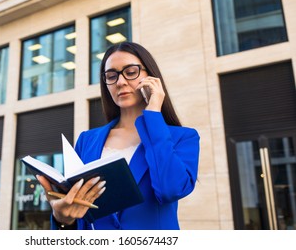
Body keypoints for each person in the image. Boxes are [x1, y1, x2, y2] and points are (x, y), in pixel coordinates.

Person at [37, 41, 200, 230]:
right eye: (111, 76)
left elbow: (169, 190)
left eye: (131, 72)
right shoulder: (87, 140)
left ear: (151, 77)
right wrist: (63, 219)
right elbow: (80, 214)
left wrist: (154, 113)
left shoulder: (183, 138)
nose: (120, 82)